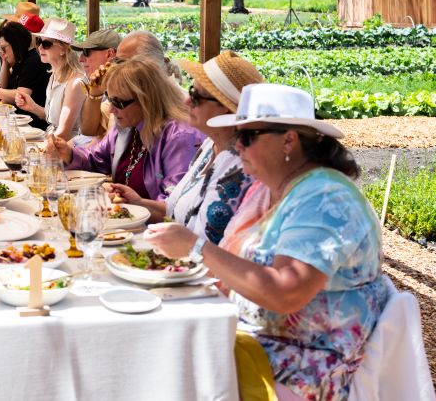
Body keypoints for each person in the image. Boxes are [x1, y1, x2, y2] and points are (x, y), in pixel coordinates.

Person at [145, 84, 390, 401]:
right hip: (261, 342)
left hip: (300, 368)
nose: (238, 147)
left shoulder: (326, 198)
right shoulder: (278, 188)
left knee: (156, 363)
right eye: (237, 137)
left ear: (289, 139)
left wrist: (195, 248)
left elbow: (285, 291)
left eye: (247, 136)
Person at [112, 51, 263, 245]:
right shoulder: (210, 146)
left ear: (225, 107)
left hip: (195, 269)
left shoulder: (240, 165)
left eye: (196, 96)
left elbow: (208, 243)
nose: (186, 101)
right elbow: (177, 212)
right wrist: (139, 204)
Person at [48, 56, 204, 199]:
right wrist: (69, 154)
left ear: (146, 101)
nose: (111, 110)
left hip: (152, 227)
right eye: (110, 100)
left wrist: (137, 205)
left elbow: (176, 202)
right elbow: (96, 159)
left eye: (118, 103)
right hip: (124, 221)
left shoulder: (179, 136)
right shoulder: (127, 125)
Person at [16, 18, 88, 142]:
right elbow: (54, 120)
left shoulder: (75, 82)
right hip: (52, 139)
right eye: (39, 42)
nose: (40, 48)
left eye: (46, 44)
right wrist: (32, 107)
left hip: (69, 149)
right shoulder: (54, 75)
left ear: (63, 49)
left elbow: (64, 132)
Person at [0, 20, 50, 129]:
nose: (0, 52)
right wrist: (4, 62)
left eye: (3, 48)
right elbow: (5, 87)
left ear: (16, 44)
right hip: (19, 121)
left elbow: (20, 95)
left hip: (33, 125)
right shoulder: (21, 60)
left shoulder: (33, 61)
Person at [73, 28, 121, 139]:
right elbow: (87, 130)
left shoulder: (123, 88)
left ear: (110, 54)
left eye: (86, 52)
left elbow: (97, 140)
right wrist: (94, 93)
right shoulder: (103, 86)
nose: (80, 59)